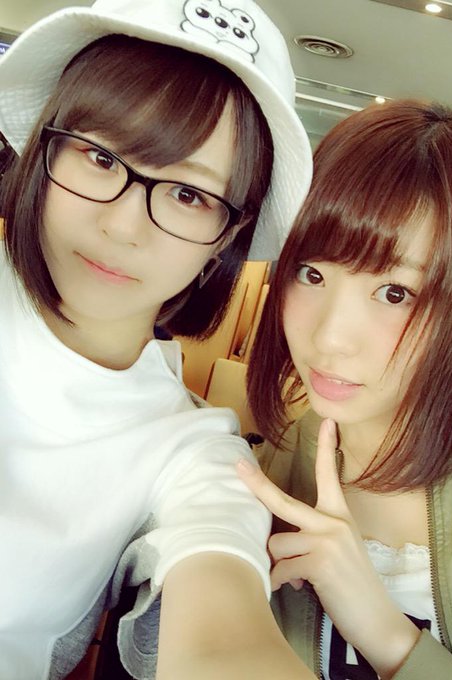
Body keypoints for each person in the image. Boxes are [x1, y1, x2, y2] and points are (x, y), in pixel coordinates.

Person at [0, 0, 315, 678]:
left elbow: (225, 633)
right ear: (49, 143)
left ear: (228, 235)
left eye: (187, 195)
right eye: (99, 156)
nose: (122, 226)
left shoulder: (193, 452)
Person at [238, 99, 452, 679]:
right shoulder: (268, 471)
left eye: (395, 293)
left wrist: (386, 635)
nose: (330, 338)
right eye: (312, 274)